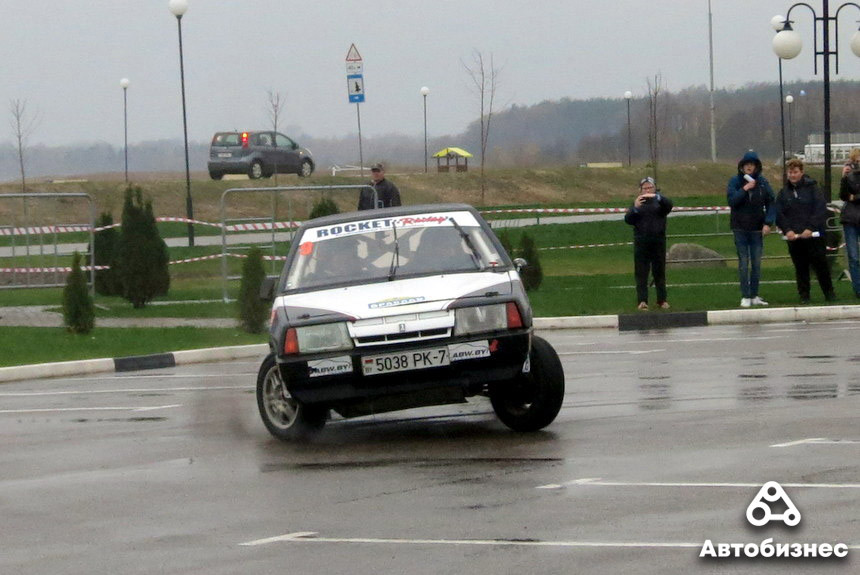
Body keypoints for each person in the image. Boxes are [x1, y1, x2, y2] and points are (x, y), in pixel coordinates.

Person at [775, 158, 836, 304]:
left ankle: (829, 294)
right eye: (790, 172)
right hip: (795, 237)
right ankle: (804, 296)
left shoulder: (813, 188)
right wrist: (787, 230)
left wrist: (810, 228)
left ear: (801, 172)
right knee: (801, 268)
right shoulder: (784, 193)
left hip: (814, 236)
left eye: (795, 172)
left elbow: (820, 209)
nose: (792, 175)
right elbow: (779, 213)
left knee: (821, 265)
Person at [726, 150, 776, 308]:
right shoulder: (735, 181)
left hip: (756, 228)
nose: (749, 167)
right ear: (741, 167)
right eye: (746, 164)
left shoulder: (762, 183)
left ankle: (754, 294)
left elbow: (771, 202)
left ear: (756, 167)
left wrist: (768, 222)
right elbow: (732, 201)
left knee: (756, 263)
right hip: (740, 228)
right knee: (743, 262)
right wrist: (745, 188)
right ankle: (745, 295)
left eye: (752, 165)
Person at [624, 177, 674, 310]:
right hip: (641, 242)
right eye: (645, 188)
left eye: (650, 187)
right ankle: (642, 301)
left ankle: (662, 300)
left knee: (659, 272)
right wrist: (635, 208)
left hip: (658, 241)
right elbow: (628, 219)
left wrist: (658, 197)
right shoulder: (637, 204)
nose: (647, 190)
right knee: (641, 273)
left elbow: (669, 205)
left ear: (654, 188)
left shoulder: (660, 203)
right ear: (640, 190)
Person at [839, 148, 860, 298]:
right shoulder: (850, 176)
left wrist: (854, 197)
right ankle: (858, 288)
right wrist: (844, 178)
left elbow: (853, 197)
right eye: (855, 162)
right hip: (851, 219)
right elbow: (844, 196)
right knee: (853, 256)